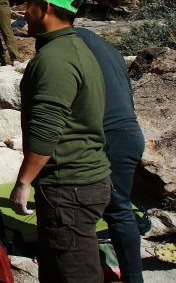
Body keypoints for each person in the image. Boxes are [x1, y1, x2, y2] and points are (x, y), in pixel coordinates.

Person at [10, 0, 111, 283]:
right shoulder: (74, 47)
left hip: (69, 186)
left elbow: (46, 130)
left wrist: (23, 182)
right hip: (82, 181)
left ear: (46, 8)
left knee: (74, 273)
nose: (25, 12)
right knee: (61, 265)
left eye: (30, 5)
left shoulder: (55, 60)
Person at [76, 27, 145, 283]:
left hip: (111, 134)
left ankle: (132, 278)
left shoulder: (74, 43)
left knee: (117, 210)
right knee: (116, 207)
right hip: (125, 131)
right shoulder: (104, 45)